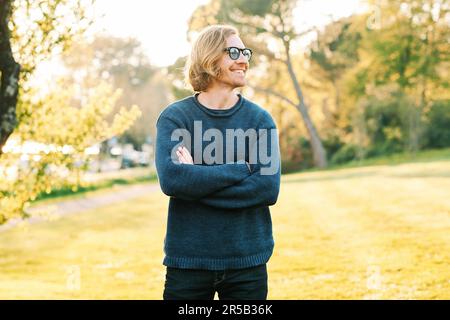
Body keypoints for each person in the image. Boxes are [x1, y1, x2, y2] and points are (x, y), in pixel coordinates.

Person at [155, 24, 281, 300]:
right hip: (188, 264)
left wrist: (196, 180)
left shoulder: (260, 121)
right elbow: (172, 181)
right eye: (234, 52)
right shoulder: (175, 119)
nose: (243, 59)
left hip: (247, 264)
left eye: (245, 52)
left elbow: (267, 189)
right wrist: (242, 168)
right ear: (210, 58)